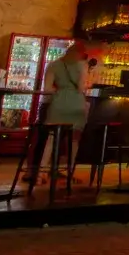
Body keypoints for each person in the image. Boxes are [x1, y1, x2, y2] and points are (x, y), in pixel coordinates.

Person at [38, 41, 89, 182]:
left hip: (58, 102)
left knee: (51, 138)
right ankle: (69, 171)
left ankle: (41, 172)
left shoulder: (53, 65)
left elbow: (47, 88)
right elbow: (81, 88)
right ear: (79, 54)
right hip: (76, 104)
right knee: (74, 140)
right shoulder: (82, 65)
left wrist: (60, 90)